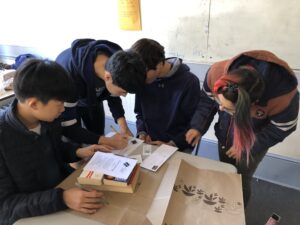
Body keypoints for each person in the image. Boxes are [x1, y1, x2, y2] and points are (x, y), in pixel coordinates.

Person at [0, 59, 112, 225]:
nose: (63, 109)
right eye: (59, 104)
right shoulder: (4, 137)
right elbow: (5, 207)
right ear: (34, 104)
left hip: (62, 194)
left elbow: (52, 150)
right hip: (32, 215)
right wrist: (62, 198)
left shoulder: (47, 119)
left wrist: (77, 152)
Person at [186, 50, 299, 204]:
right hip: (225, 136)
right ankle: (223, 206)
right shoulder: (215, 73)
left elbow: (282, 128)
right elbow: (207, 102)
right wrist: (198, 127)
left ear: (252, 104)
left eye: (229, 110)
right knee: (226, 173)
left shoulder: (284, 97)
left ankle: (238, 213)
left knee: (240, 181)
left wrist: (248, 145)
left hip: (253, 144)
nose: (221, 109)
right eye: (221, 104)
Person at [56, 39, 146, 149]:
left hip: (93, 100)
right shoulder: (69, 76)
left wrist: (123, 127)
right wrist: (106, 140)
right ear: (107, 77)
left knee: (98, 136)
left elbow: (113, 95)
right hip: (67, 100)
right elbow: (68, 127)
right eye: (123, 92)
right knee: (74, 145)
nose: (124, 95)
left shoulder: (119, 62)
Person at [131, 38, 201, 152]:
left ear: (158, 65)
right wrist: (142, 132)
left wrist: (172, 144)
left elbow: (194, 124)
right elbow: (139, 113)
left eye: (144, 74)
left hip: (179, 146)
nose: (141, 79)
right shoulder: (142, 79)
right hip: (149, 143)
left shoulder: (189, 82)